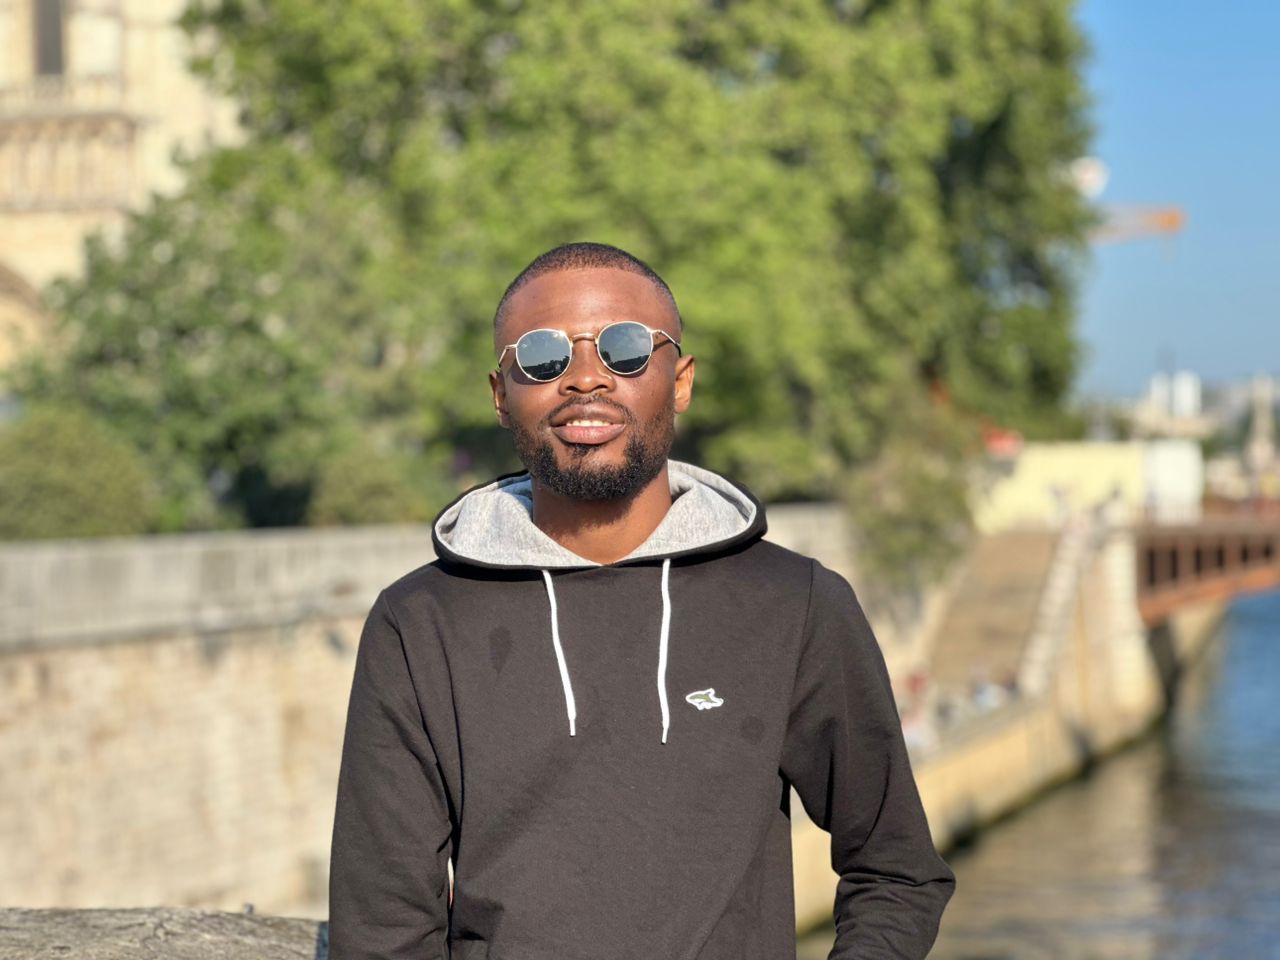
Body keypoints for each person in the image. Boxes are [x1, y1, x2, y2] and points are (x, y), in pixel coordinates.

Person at [328, 242, 955, 959]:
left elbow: (897, 872)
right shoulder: (419, 624)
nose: (585, 377)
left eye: (624, 349)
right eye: (542, 356)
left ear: (680, 381)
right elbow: (381, 931)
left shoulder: (795, 604)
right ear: (501, 395)